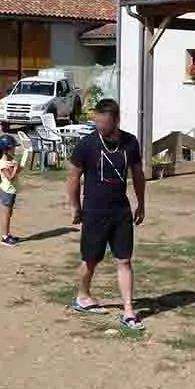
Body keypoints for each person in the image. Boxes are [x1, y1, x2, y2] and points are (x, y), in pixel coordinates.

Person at [66, 98, 147, 331]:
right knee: (90, 261)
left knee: (124, 260)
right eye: (97, 121)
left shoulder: (130, 143)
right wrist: (75, 207)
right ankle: (83, 296)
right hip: (94, 212)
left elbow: (138, 174)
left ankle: (129, 311)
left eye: (104, 122)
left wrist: (141, 203)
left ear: (116, 120)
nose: (99, 125)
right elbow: (73, 178)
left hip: (120, 211)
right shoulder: (87, 145)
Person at [0, 134, 22, 246]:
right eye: (13, 148)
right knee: (6, 214)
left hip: (12, 191)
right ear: (6, 150)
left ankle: (7, 234)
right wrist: (16, 168)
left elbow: (16, 174)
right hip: (7, 191)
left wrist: (18, 167)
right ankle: (5, 237)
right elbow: (10, 178)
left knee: (9, 213)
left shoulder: (11, 160)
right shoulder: (3, 163)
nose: (15, 149)